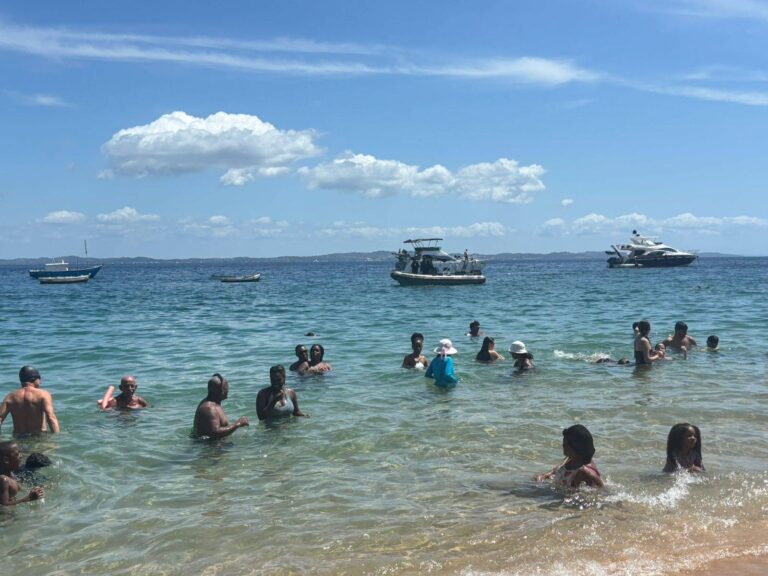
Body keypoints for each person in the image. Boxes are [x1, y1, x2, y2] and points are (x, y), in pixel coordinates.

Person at [537, 424, 603, 489]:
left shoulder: (583, 472)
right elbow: (553, 472)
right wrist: (543, 476)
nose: (563, 445)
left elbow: (601, 490)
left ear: (575, 447)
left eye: (565, 443)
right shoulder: (570, 458)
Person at [0, 366, 60, 434]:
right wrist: (57, 437)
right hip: (39, 437)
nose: (40, 382)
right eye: (39, 379)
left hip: (18, 437)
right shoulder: (43, 394)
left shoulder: (10, 397)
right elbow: (51, 417)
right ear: (34, 379)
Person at [192, 373, 248, 439]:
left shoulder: (214, 403)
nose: (228, 389)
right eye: (226, 387)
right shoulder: (209, 408)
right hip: (208, 445)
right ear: (222, 390)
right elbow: (215, 433)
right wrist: (238, 424)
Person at [0, 441, 45, 506]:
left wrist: (35, 491)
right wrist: (27, 498)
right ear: (6, 460)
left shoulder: (11, 474)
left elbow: (20, 489)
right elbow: (4, 505)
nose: (21, 456)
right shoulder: (3, 480)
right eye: (17, 454)